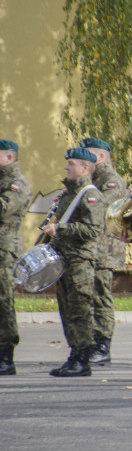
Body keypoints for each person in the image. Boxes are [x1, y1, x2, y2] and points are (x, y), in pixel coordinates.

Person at [44, 147, 103, 376]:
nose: (67, 167)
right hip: (65, 260)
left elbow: (93, 229)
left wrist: (59, 228)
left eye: (71, 164)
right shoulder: (70, 192)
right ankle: (74, 354)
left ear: (85, 167)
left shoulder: (90, 194)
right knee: (67, 309)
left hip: (80, 261)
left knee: (80, 310)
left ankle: (82, 359)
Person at [79, 137, 127, 367]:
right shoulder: (92, 180)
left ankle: (102, 344)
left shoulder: (111, 180)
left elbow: (100, 209)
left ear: (99, 157)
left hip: (104, 249)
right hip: (91, 247)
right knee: (90, 296)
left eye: (87, 155)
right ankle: (91, 342)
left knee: (101, 296)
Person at [0, 140, 32, 375]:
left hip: (4, 250)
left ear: (9, 158)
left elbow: (4, 208)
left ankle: (6, 355)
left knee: (3, 302)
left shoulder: (17, 183)